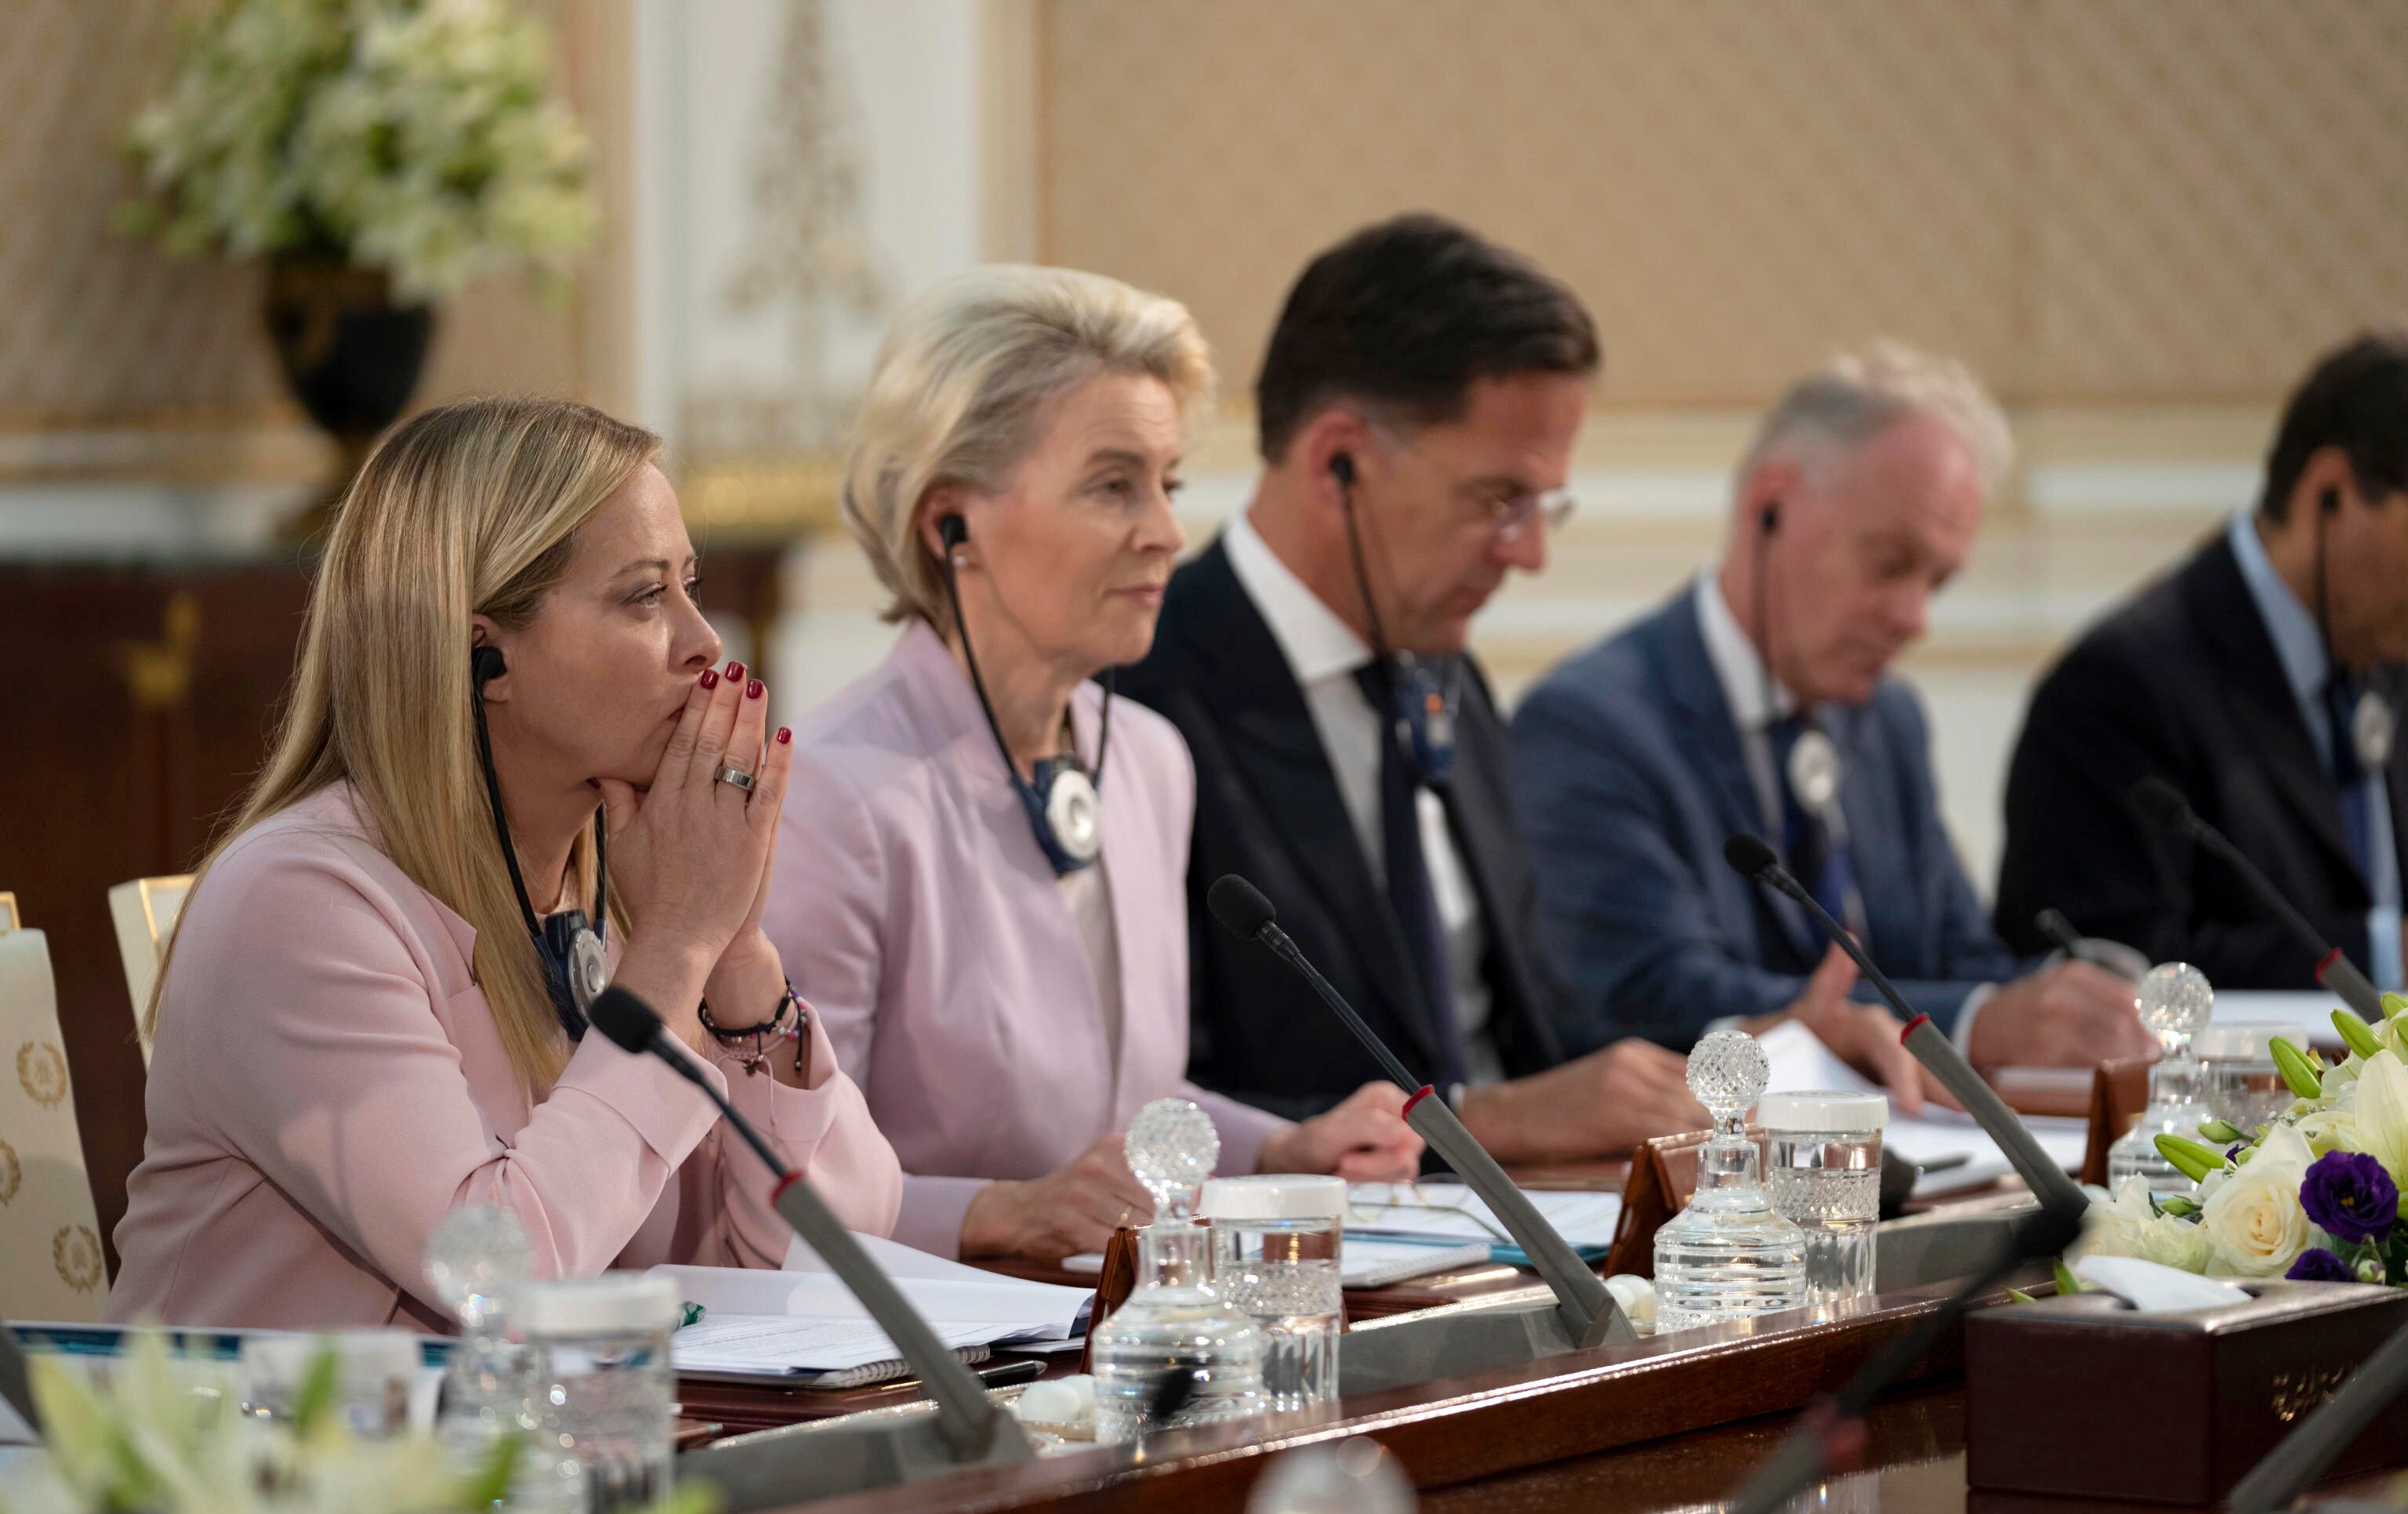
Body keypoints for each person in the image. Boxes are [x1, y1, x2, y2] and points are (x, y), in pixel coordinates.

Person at [111, 397, 901, 1331]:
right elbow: (495, 1276)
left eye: (689, 585)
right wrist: (679, 948)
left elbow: (832, 1266)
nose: (704, 640)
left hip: (539, 1453)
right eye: (647, 595)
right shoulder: (299, 903)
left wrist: (735, 955)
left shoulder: (618, 884)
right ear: (485, 654)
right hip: (272, 1462)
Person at [767, 266, 1421, 1262]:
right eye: (1114, 484)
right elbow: (781, 1178)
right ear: (954, 526)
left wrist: (1287, 1147)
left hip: (1121, 1319)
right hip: (935, 1360)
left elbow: (1117, 1103)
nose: (1164, 531)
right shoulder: (834, 791)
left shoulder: (1151, 757)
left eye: (1169, 483)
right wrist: (997, 1213)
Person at [1119, 214, 1707, 1161]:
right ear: (1337, 461)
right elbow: (1152, 1104)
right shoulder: (1141, 689)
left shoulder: (1449, 674)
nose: (1531, 553)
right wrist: (1489, 1121)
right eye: (1498, 501)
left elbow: (1528, 1022)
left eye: (1543, 506)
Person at [1511, 345, 2153, 1103]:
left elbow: (1954, 956)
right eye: (1889, 564)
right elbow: (1651, 999)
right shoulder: (1589, 726)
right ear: (1769, 508)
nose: (1915, 618)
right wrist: (1979, 1023)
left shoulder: (1889, 721)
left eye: (1938, 584)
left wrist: (2073, 1002)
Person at [1996, 332, 2408, 990]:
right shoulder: (2115, 688)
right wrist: (2390, 955)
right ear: (2331, 492)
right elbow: (2118, 967)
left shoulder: (2384, 650)